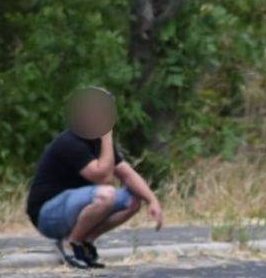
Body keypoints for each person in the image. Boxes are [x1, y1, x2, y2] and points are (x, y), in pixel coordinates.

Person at [26, 88, 164, 268]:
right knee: (106, 194)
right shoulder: (71, 141)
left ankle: (85, 242)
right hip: (47, 214)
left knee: (133, 200)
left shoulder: (98, 142)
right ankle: (70, 244)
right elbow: (103, 177)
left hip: (72, 207)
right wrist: (107, 136)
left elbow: (127, 174)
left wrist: (152, 200)